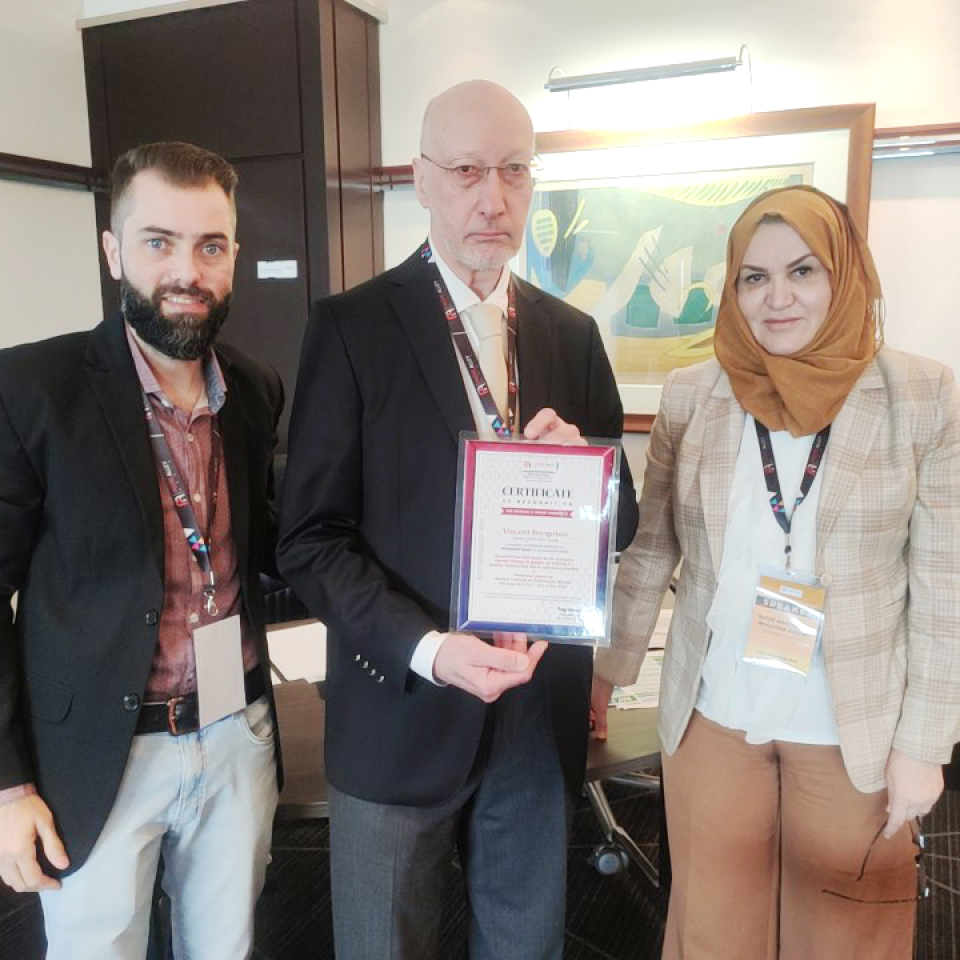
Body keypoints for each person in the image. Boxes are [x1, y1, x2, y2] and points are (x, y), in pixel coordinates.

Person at [278, 79, 638, 960]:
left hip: (535, 713)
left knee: (526, 945)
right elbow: (310, 539)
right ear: (422, 179)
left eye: (514, 171)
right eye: (468, 170)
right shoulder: (352, 328)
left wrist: (586, 480)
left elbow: (622, 521)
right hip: (401, 705)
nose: (493, 198)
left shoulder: (573, 335)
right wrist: (429, 649)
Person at [592, 184, 960, 958]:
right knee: (714, 931)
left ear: (844, 275)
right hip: (715, 715)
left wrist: (925, 746)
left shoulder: (922, 395)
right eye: (753, 277)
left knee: (847, 932)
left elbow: (944, 589)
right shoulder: (695, 394)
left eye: (802, 271)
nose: (777, 297)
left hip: (852, 727)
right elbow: (651, 550)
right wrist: (606, 672)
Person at [0, 141, 284, 959]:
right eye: (159, 242)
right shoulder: (33, 391)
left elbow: (272, 547)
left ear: (233, 256)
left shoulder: (255, 389)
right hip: (98, 752)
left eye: (210, 246)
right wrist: (8, 785)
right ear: (113, 250)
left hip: (234, 733)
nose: (186, 271)